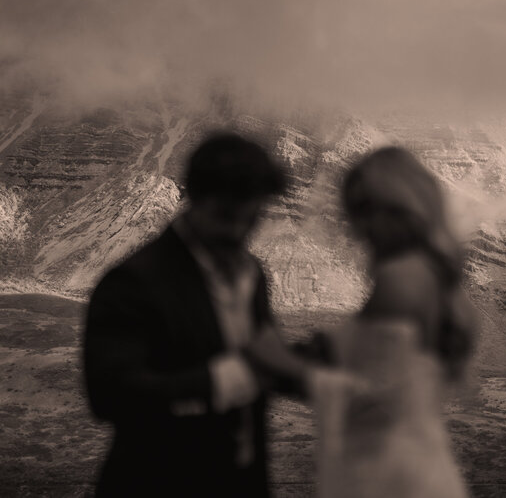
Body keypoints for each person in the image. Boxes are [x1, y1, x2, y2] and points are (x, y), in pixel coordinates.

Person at [83, 132, 314, 497]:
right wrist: (233, 376)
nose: (240, 229)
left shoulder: (252, 274)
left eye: (252, 214)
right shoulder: (131, 283)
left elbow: (267, 361)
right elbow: (110, 397)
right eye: (227, 214)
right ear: (195, 197)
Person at [309, 146, 478, 498]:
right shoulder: (432, 277)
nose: (362, 226)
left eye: (371, 210)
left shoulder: (400, 279)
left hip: (391, 478)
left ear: (406, 209)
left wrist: (272, 362)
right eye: (356, 212)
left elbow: (369, 395)